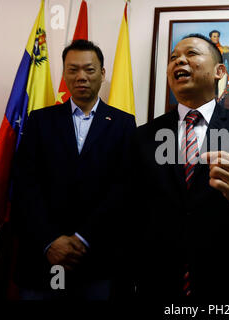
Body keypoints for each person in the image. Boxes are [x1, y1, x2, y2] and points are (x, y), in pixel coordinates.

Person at [131, 33, 229, 300]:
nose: (179, 60)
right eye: (173, 58)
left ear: (219, 71)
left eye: (191, 54)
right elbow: (130, 213)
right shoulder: (144, 136)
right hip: (158, 282)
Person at [11, 39, 136, 300]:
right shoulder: (39, 120)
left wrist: (83, 237)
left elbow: (123, 188)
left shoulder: (124, 124)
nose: (81, 77)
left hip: (96, 256)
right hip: (43, 256)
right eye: (73, 69)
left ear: (102, 74)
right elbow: (25, 184)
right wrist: (50, 240)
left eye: (89, 70)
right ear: (64, 73)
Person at [209, 30, 229, 99]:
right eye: (214, 36)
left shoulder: (225, 49)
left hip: (221, 75)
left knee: (220, 98)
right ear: (210, 38)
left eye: (218, 36)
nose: (216, 38)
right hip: (208, 75)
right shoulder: (205, 50)